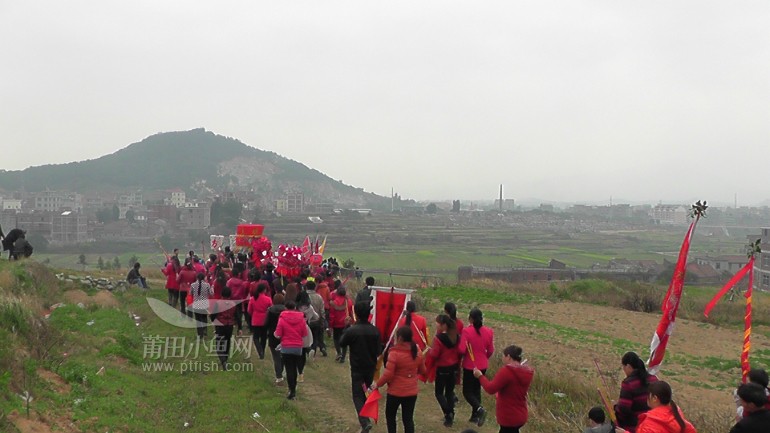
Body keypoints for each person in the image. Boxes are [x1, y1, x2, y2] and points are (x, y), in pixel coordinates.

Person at [371, 326, 426, 433]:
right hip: (411, 392)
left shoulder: (395, 353)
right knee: (408, 419)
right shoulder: (417, 351)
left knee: (391, 417)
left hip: (395, 392)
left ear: (400, 338)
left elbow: (388, 375)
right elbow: (423, 370)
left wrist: (377, 385)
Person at [340, 301, 382, 433]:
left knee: (357, 395)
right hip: (370, 368)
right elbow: (378, 351)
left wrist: (347, 326)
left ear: (356, 314)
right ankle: (365, 423)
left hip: (357, 368)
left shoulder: (353, 330)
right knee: (365, 393)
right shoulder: (375, 331)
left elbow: (342, 342)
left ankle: (364, 422)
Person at [473, 344, 533, 433]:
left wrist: (480, 376)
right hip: (521, 413)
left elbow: (490, 389)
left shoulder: (507, 371)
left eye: (503, 356)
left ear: (508, 357)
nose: (502, 359)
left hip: (509, 416)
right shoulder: (526, 372)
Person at [616, 381, 696, 433]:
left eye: (648, 395)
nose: (647, 398)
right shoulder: (676, 415)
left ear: (655, 398)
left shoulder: (651, 423)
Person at [461, 307, 495, 426]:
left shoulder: (466, 331)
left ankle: (479, 410)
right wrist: (484, 358)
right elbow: (491, 350)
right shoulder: (489, 331)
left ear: (470, 319)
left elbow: (461, 349)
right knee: (476, 390)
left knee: (467, 391)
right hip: (483, 364)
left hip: (470, 365)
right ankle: (475, 416)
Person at [428, 314, 464, 427]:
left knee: (439, 393)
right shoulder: (456, 337)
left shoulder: (438, 338)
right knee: (449, 392)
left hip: (442, 368)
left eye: (438, 323)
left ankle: (448, 413)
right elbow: (459, 351)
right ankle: (451, 413)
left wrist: (430, 350)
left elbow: (435, 354)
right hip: (453, 368)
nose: (436, 325)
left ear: (443, 325)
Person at [615, 351, 658, 433]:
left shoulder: (628, 384)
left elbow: (624, 410)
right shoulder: (654, 379)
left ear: (628, 366)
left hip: (634, 427)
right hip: (653, 425)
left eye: (623, 367)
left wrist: (616, 408)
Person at [274, 300, 308, 400]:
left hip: (286, 347)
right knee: (295, 368)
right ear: (295, 308)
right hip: (297, 347)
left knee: (289, 369)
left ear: (286, 308)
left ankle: (291, 390)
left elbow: (278, 333)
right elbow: (304, 333)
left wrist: (275, 334)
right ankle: (294, 387)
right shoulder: (301, 319)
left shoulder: (282, 318)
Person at [210, 286, 236, 370]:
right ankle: (226, 358)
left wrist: (213, 321)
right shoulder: (233, 303)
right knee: (227, 342)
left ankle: (223, 360)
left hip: (220, 325)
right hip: (230, 325)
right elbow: (237, 316)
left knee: (218, 344)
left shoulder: (218, 303)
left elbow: (213, 314)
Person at [296, 290, 319, 382]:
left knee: (296, 350)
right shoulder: (310, 308)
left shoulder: (296, 307)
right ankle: (301, 374)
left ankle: (295, 369)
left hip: (296, 329)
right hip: (305, 328)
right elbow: (316, 317)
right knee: (304, 349)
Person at [247, 281, 273, 359]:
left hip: (255, 319)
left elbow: (249, 310)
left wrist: (253, 315)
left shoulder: (252, 299)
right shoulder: (268, 299)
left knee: (256, 337)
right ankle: (262, 351)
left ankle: (259, 350)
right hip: (265, 320)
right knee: (264, 337)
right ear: (264, 290)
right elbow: (271, 309)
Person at [265, 293, 287, 385]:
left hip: (273, 336)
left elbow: (266, 323)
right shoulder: (286, 311)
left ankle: (279, 376)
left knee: (276, 357)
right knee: (283, 356)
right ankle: (281, 372)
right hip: (285, 336)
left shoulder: (270, 310)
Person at [329, 286, 354, 363]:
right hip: (346, 323)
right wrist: (352, 322)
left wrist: (330, 325)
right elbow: (351, 313)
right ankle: (343, 356)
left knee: (336, 339)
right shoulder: (349, 302)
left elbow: (332, 315)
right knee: (345, 341)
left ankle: (338, 353)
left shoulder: (334, 303)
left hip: (337, 324)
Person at [306, 280, 327, 357]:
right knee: (315, 337)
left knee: (307, 337)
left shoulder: (304, 296)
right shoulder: (319, 297)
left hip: (307, 320)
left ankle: (308, 350)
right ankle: (314, 350)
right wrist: (323, 319)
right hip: (316, 320)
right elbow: (322, 310)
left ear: (306, 287)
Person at [189, 272, 213, 338]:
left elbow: (190, 293)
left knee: (198, 319)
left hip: (196, 305)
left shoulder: (193, 285)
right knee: (204, 318)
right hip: (204, 305)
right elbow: (211, 293)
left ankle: (200, 333)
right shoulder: (207, 285)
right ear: (204, 278)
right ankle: (205, 331)